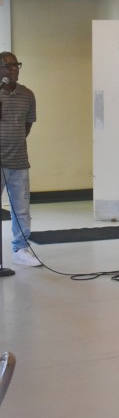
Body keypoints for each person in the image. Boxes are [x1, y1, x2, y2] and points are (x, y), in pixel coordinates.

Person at [0, 52, 39, 267]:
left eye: (17, 65)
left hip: (18, 160)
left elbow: (27, 126)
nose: (14, 69)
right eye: (8, 65)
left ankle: (21, 248)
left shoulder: (27, 95)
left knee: (21, 208)